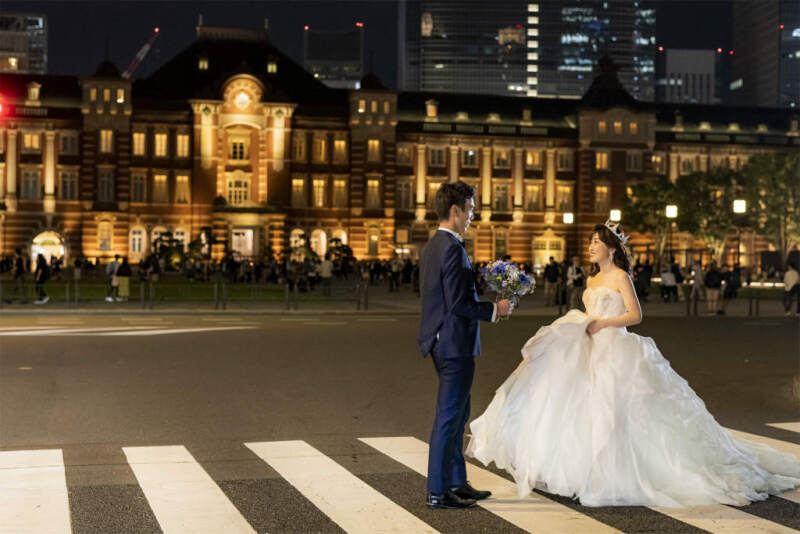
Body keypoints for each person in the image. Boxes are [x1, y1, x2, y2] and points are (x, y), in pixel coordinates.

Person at [466, 220, 800, 507]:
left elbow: (635, 315)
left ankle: (623, 470)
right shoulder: (592, 279)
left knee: (620, 410)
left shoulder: (620, 277)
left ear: (612, 249)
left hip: (615, 346)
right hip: (588, 344)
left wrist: (602, 324)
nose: (592, 246)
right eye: (591, 241)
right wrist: (584, 322)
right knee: (576, 408)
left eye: (597, 242)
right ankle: (583, 468)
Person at [418, 181, 513, 510]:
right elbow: (458, 303)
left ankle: (456, 482)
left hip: (441, 340)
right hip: (454, 344)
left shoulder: (434, 245)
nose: (473, 215)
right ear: (455, 211)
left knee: (458, 415)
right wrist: (493, 310)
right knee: (448, 417)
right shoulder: (453, 248)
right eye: (470, 209)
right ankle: (437, 490)